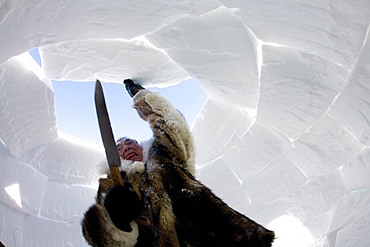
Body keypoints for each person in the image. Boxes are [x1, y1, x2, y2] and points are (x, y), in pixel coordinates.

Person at [81, 79, 275, 247]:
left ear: (140, 147)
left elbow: (173, 127)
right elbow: (103, 238)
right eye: (120, 148)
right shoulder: (112, 184)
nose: (126, 147)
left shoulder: (164, 156)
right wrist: (116, 216)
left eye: (129, 142)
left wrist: (145, 100)